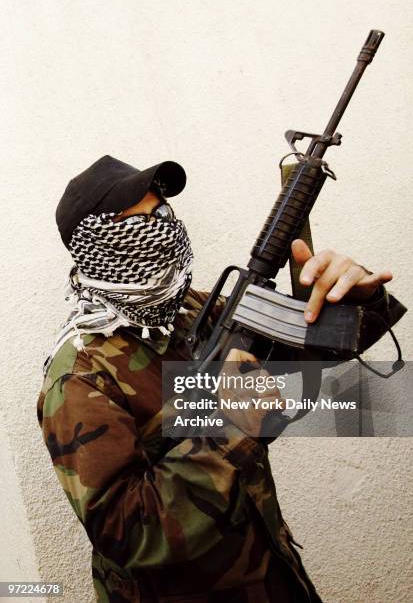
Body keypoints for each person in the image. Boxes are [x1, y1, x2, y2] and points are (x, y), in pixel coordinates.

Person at [37, 155, 406, 602]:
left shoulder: (191, 311)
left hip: (273, 577)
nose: (160, 227)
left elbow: (309, 353)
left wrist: (358, 299)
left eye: (162, 213)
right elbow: (128, 536)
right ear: (99, 245)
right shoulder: (82, 377)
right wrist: (232, 427)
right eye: (137, 221)